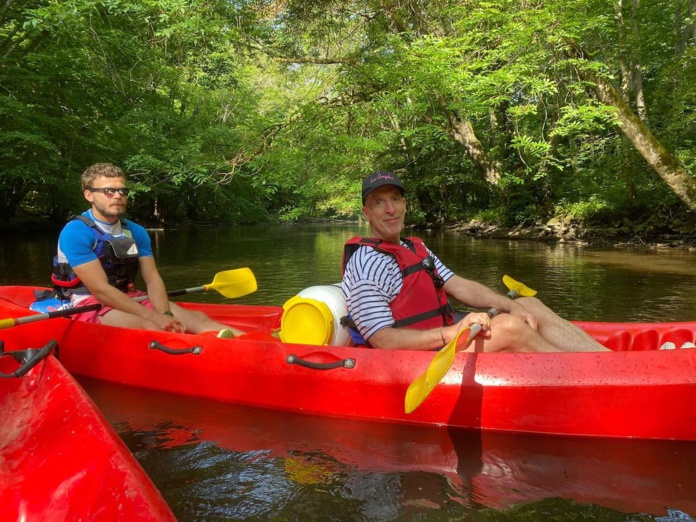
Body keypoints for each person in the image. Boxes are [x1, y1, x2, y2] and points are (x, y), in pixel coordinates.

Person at [341, 170, 610, 353]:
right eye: (379, 203)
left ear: (405, 204)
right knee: (506, 328)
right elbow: (382, 339)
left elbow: (459, 285)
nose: (390, 209)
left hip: (444, 335)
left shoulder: (413, 247)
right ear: (366, 212)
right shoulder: (367, 264)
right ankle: (593, 377)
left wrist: (507, 304)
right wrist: (451, 333)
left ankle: (611, 361)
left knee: (526, 305)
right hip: (416, 353)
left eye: (395, 199)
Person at [52, 162, 243, 337]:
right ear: (89, 195)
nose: (118, 195)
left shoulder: (136, 231)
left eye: (122, 191)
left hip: (129, 296)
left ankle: (264, 346)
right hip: (88, 303)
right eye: (109, 191)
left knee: (198, 319)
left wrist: (165, 314)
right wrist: (154, 318)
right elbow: (100, 290)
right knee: (151, 328)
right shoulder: (76, 232)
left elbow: (152, 279)